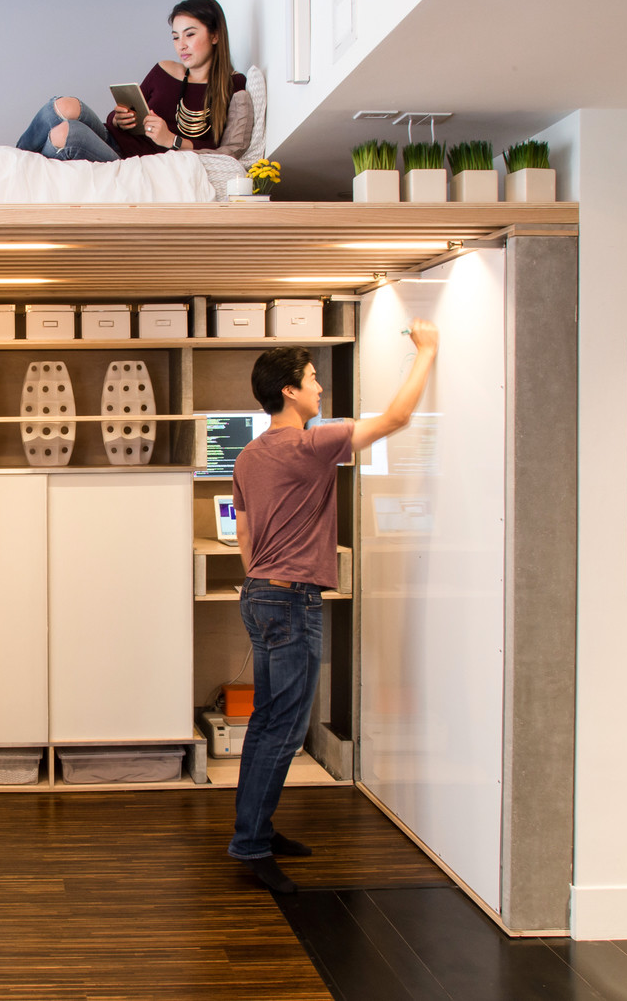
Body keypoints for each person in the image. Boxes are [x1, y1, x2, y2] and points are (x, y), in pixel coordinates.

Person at [229, 320, 440, 895]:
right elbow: (396, 419)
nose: (320, 388)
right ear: (290, 391)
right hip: (292, 600)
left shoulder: (249, 455)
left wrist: (266, 580)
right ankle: (250, 844)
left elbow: (246, 533)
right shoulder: (309, 442)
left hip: (260, 593)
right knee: (285, 728)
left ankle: (258, 830)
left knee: (268, 723)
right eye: (314, 378)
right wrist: (427, 351)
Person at [15, 0, 254, 163]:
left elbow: (223, 151)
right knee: (64, 105)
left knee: (66, 133)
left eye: (190, 34)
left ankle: (23, 170)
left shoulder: (233, 86)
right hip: (110, 136)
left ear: (214, 35)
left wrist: (172, 140)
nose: (181, 45)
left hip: (130, 158)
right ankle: (15, 159)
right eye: (175, 37)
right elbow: (121, 113)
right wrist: (120, 118)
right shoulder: (164, 69)